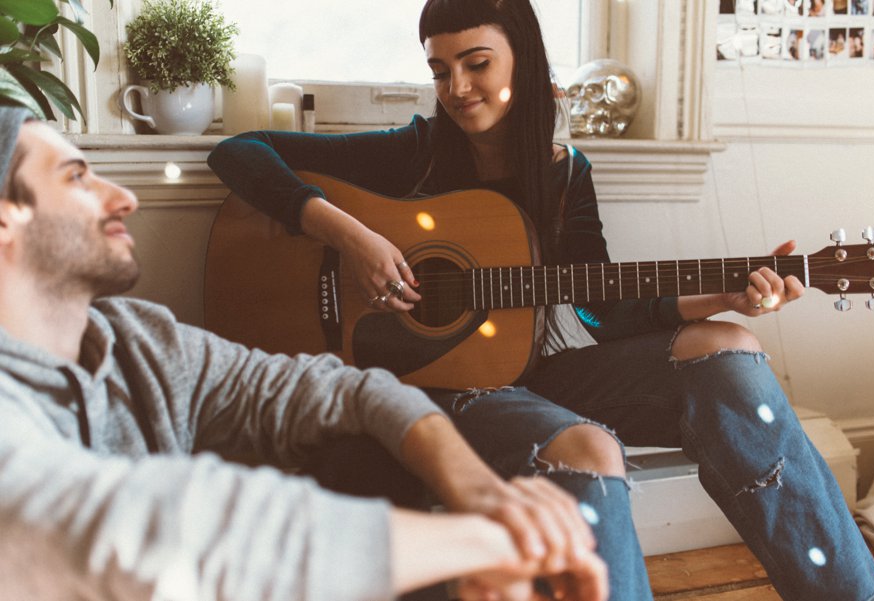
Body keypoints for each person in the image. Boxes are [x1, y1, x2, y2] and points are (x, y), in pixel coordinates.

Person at [207, 0, 874, 599]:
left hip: (523, 371)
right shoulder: (409, 154)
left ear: (522, 61)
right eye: (440, 69)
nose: (456, 87)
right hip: (426, 387)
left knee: (733, 352)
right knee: (590, 448)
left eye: (475, 63)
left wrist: (724, 298)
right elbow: (240, 152)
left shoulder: (564, 174)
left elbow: (600, 307)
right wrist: (352, 237)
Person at [0, 108, 612, 601]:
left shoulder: (138, 340)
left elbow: (347, 388)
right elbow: (153, 530)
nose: (123, 197)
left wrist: (478, 490)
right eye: (78, 176)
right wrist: (484, 543)